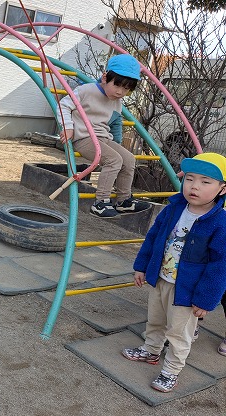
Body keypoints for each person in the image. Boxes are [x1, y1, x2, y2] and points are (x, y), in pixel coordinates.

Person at [122, 152, 226, 392]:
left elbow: (220, 266)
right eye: (189, 179)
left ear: (222, 189)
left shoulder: (220, 223)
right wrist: (141, 266)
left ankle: (171, 370)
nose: (194, 186)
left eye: (205, 182)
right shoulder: (174, 209)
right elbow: (153, 238)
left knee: (179, 333)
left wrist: (205, 300)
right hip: (161, 279)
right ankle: (151, 350)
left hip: (187, 291)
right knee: (155, 319)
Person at [59, 54, 152, 218]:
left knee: (129, 159)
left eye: (126, 89)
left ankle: (123, 201)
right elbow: (63, 105)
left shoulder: (117, 101)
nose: (120, 92)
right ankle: (100, 202)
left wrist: (117, 145)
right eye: (117, 85)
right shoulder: (86, 90)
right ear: (104, 78)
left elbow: (115, 124)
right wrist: (68, 127)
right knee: (113, 160)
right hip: (83, 138)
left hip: (103, 138)